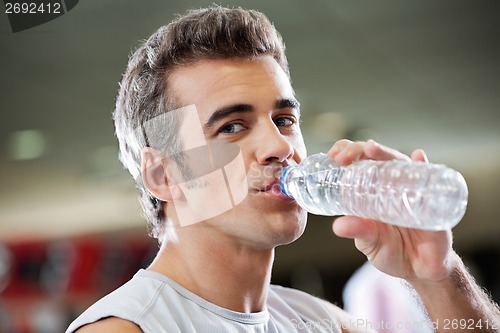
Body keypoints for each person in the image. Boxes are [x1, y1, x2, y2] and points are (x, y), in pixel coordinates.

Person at [66, 6, 500, 333]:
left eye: (284, 120)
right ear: (163, 175)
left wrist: (439, 279)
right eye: (232, 127)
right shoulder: (128, 328)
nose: (279, 146)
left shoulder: (323, 322)